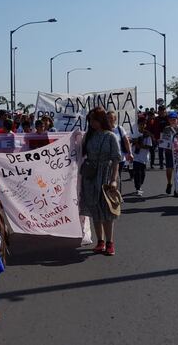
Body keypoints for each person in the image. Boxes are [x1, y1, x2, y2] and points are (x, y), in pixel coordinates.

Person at [79, 108, 121, 255]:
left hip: (106, 176)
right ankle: (100, 241)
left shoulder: (110, 136)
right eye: (90, 120)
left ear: (101, 119)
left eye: (94, 120)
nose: (91, 123)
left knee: (107, 210)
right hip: (90, 176)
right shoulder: (89, 136)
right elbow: (80, 152)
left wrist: (113, 180)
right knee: (95, 209)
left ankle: (110, 242)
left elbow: (116, 158)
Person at [162, 111, 178, 198]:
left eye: (174, 119)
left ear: (177, 119)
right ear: (169, 120)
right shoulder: (166, 129)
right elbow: (163, 140)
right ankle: (169, 183)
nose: (173, 121)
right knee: (169, 169)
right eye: (171, 120)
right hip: (169, 152)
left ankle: (177, 189)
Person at [107, 111, 133, 185]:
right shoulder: (104, 130)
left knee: (116, 176)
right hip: (108, 158)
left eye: (111, 118)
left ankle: (116, 192)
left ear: (115, 119)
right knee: (108, 177)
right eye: (108, 118)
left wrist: (130, 153)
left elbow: (126, 141)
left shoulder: (119, 129)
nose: (110, 120)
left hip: (120, 158)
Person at [131, 117, 152, 196]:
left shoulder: (147, 135)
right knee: (137, 173)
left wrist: (140, 145)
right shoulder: (133, 133)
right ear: (138, 125)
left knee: (142, 174)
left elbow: (149, 146)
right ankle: (138, 188)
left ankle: (140, 184)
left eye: (144, 124)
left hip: (143, 157)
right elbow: (127, 141)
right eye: (141, 124)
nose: (142, 126)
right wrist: (134, 141)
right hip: (135, 156)